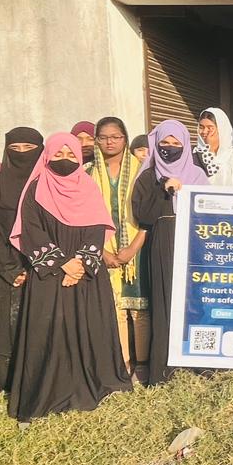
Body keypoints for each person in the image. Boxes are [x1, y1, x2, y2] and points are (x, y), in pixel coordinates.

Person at [8, 133, 132, 421]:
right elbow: (31, 231)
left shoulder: (87, 187)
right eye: (58, 154)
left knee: (89, 327)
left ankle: (95, 384)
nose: (64, 160)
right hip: (50, 276)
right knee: (51, 330)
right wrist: (62, 263)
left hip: (86, 276)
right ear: (47, 157)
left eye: (71, 155)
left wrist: (81, 264)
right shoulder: (36, 189)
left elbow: (97, 228)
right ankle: (51, 393)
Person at [133, 120, 210, 385]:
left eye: (176, 143)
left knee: (194, 300)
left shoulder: (197, 175)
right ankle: (164, 369)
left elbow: (208, 209)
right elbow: (142, 214)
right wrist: (163, 190)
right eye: (164, 143)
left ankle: (200, 361)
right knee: (165, 301)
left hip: (193, 243)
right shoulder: (147, 177)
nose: (170, 147)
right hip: (162, 243)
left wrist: (183, 190)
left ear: (185, 145)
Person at [0, 127, 43, 392]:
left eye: (29, 148)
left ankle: (43, 383)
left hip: (44, 265)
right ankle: (9, 385)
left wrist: (41, 263)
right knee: (8, 327)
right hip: (8, 268)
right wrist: (10, 269)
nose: (22, 154)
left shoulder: (49, 183)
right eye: (15, 149)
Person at [89, 117, 150, 379]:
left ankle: (143, 364)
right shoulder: (88, 173)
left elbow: (149, 214)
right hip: (102, 250)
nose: (109, 142)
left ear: (125, 138)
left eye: (115, 137)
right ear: (96, 140)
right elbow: (84, 218)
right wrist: (102, 251)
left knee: (139, 308)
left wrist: (132, 248)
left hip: (137, 248)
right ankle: (124, 363)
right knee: (116, 309)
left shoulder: (142, 170)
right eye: (103, 137)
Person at [194, 107, 233, 186]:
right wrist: (209, 149)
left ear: (221, 129)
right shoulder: (194, 155)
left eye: (210, 128)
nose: (204, 132)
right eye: (201, 127)